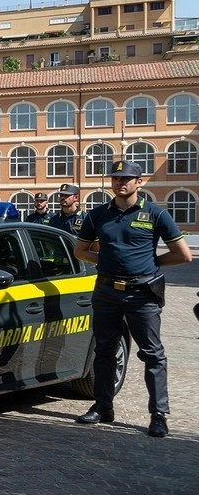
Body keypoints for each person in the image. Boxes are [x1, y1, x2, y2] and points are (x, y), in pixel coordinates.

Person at [73, 160, 192, 438]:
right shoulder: (97, 215)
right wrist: (106, 259)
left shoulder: (155, 214)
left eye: (126, 178)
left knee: (152, 354)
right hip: (105, 292)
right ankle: (103, 407)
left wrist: (150, 264)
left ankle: (158, 415)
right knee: (104, 350)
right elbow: (81, 250)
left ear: (139, 182)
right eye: (115, 178)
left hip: (142, 293)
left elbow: (184, 255)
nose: (120, 183)